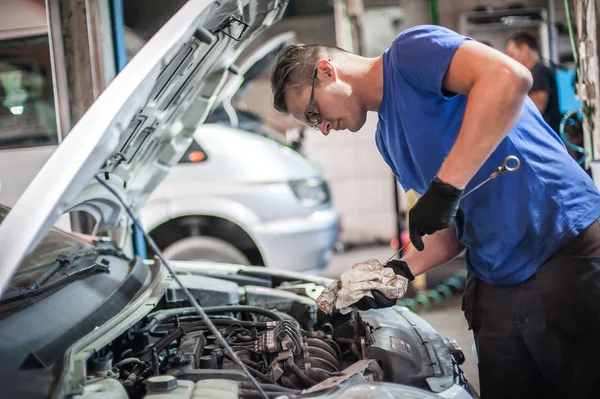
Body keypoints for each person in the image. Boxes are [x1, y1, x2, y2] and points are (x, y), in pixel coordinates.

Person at [270, 25, 600, 399]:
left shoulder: (412, 53)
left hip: (558, 244)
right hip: (494, 271)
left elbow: (509, 78)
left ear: (327, 71)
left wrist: (446, 187)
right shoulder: (387, 139)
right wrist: (398, 272)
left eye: (314, 113)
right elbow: (445, 231)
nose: (323, 129)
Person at [505, 31, 562, 133]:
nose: (510, 58)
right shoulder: (533, 73)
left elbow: (538, 107)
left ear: (525, 49)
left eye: (512, 53)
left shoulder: (539, 71)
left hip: (545, 135)